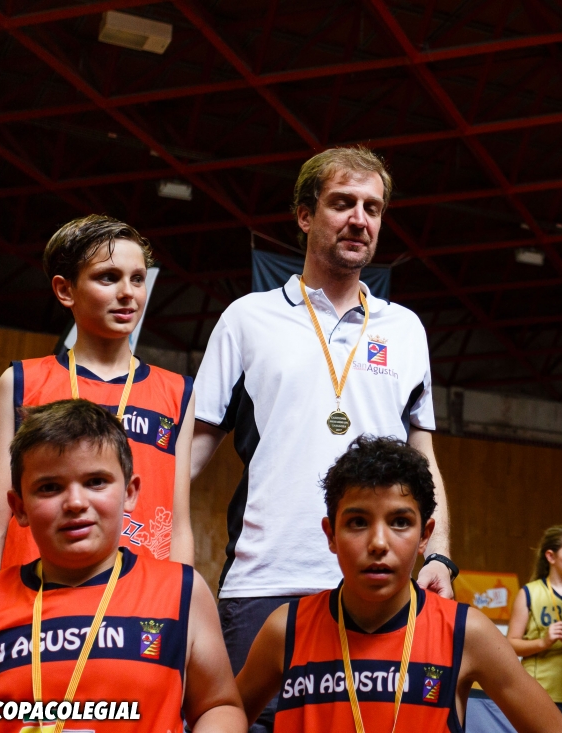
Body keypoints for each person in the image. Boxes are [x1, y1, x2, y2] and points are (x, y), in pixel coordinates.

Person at [190, 147, 457, 730]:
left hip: (377, 587)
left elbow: (424, 456)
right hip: (266, 581)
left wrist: (437, 554)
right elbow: (194, 446)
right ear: (306, 215)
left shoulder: (405, 329)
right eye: (342, 203)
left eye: (372, 208)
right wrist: (139, 532)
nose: (359, 219)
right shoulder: (247, 318)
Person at [235, 436, 562, 733]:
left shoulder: (466, 633)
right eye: (357, 522)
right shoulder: (286, 630)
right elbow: (224, 715)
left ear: (425, 535)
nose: (378, 543)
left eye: (399, 522)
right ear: (331, 535)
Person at [0, 399, 244, 731]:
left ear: (130, 493)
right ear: (20, 507)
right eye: (50, 487)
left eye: (96, 481)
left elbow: (219, 705)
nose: (75, 503)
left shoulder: (181, 591)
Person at [0, 215, 195, 580]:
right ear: (65, 290)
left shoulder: (178, 392)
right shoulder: (23, 382)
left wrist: (179, 605)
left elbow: (178, 526)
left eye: (137, 278)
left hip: (137, 600)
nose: (128, 292)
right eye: (108, 277)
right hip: (34, 595)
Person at [507, 525, 562, 714]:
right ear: (551, 556)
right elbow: (511, 644)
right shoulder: (529, 592)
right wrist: (543, 642)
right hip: (539, 689)